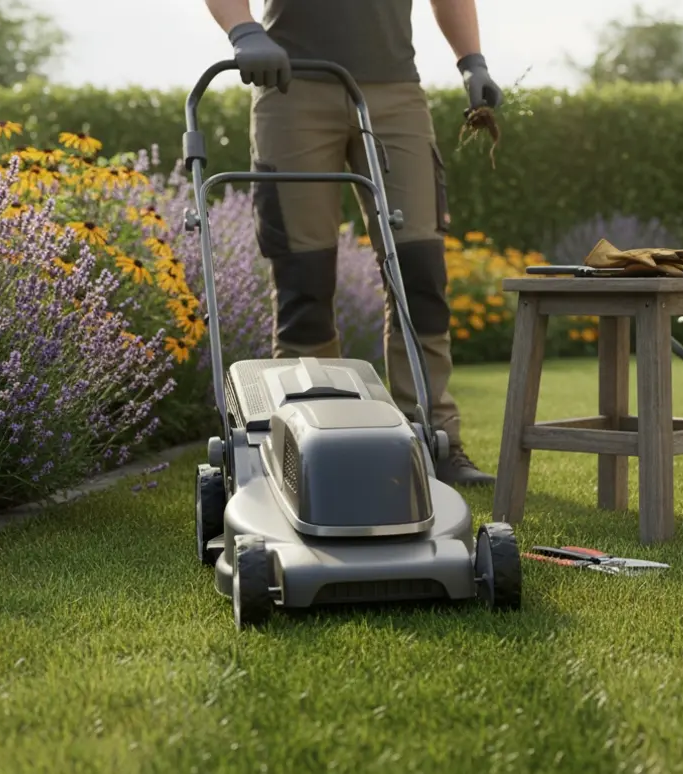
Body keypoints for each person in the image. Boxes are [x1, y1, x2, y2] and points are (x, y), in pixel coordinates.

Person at [203, 0, 503, 486]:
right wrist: (243, 31)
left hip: (396, 94)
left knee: (419, 271)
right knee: (304, 279)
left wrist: (472, 61)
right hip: (289, 86)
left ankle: (434, 439)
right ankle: (317, 445)